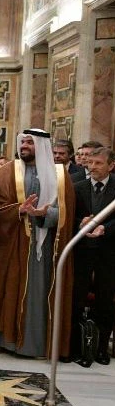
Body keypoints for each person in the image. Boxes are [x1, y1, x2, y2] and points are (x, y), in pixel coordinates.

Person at [0, 129, 75, 358]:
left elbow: (68, 212)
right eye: (22, 142)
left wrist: (45, 214)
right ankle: (2, 339)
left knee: (40, 294)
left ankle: (38, 345)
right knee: (8, 290)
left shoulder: (60, 175)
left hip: (45, 247)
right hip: (13, 244)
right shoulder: (6, 172)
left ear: (41, 146)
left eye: (30, 143)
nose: (24, 146)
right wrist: (18, 210)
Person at [70, 146, 115, 366]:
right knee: (76, 299)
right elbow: (71, 216)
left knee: (105, 301)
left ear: (111, 165)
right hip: (83, 253)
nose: (93, 167)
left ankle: (101, 349)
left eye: (98, 163)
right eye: (90, 162)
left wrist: (105, 229)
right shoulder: (77, 187)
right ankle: (76, 347)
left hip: (109, 254)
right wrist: (81, 223)